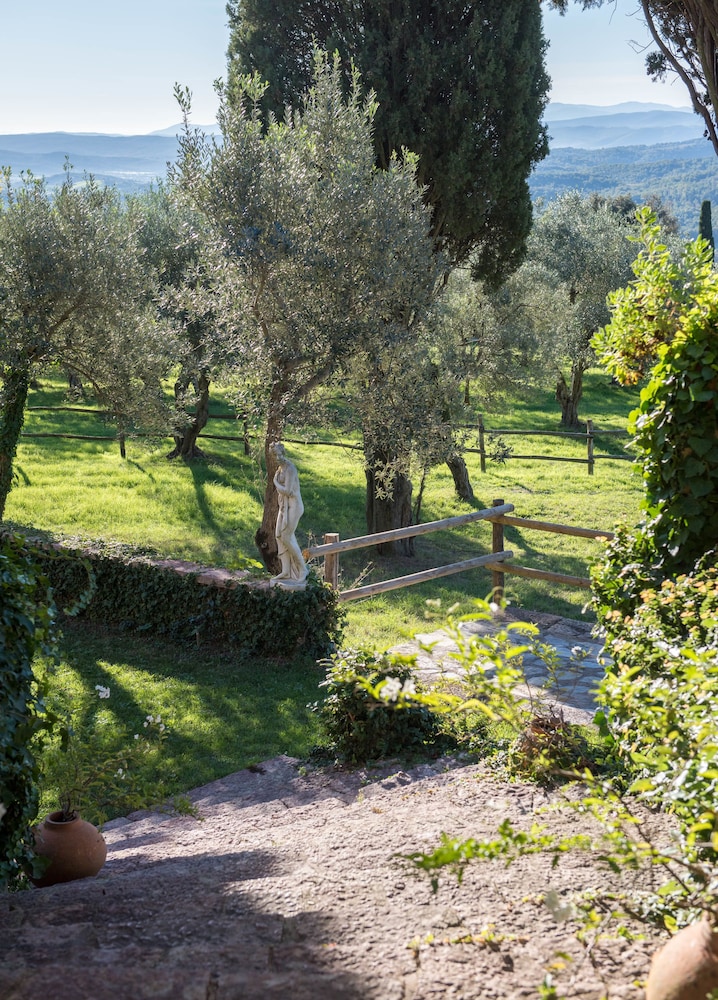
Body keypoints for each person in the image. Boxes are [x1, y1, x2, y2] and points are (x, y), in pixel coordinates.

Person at [270, 442, 308, 587]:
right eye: (275, 455)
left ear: (283, 453)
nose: (277, 458)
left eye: (279, 454)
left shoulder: (290, 469)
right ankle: (286, 571)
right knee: (279, 535)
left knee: (286, 536)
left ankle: (303, 569)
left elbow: (287, 490)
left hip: (294, 507)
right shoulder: (280, 469)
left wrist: (275, 482)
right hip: (284, 507)